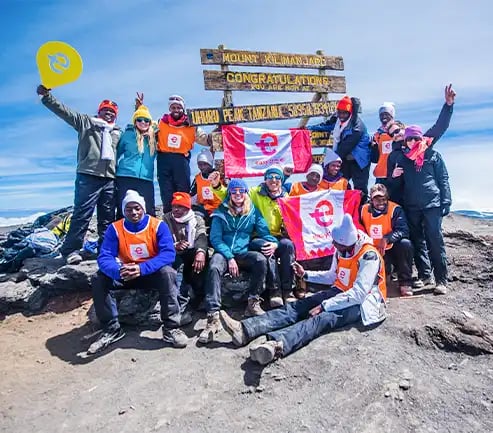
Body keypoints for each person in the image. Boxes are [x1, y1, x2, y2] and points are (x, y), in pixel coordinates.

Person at [218, 214, 387, 365]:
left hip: (362, 303)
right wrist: (305, 274)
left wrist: (325, 305)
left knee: (321, 318)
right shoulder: (342, 250)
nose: (333, 245)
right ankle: (246, 330)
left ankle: (276, 345)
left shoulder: (368, 256)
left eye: (337, 243)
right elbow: (331, 276)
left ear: (346, 243)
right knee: (299, 306)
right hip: (340, 291)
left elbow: (359, 294)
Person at [88, 190, 188, 354]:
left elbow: (168, 254)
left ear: (143, 208)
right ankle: (111, 329)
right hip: (126, 273)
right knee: (98, 278)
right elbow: (105, 256)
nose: (133, 212)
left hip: (150, 273)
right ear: (123, 210)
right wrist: (118, 271)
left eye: (137, 208)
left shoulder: (157, 226)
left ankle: (171, 328)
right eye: (129, 209)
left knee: (168, 273)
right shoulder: (115, 229)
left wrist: (141, 268)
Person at [37, 85, 121, 265]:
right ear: (99, 111)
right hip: (88, 176)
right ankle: (71, 250)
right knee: (82, 214)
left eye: (112, 111)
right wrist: (47, 97)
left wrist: (139, 110)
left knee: (107, 216)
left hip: (110, 179)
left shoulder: (117, 132)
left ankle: (105, 249)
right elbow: (64, 112)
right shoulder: (86, 122)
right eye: (105, 110)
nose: (109, 114)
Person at [200, 179, 278, 344]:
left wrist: (274, 242)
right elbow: (215, 238)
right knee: (214, 267)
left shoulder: (252, 211)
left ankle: (253, 303)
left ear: (245, 193)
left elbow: (263, 231)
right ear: (229, 193)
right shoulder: (221, 211)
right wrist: (229, 257)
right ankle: (213, 316)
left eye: (240, 191)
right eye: (233, 191)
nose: (237, 195)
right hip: (223, 252)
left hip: (242, 252)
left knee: (260, 260)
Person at [211, 166, 296, 306]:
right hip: (257, 236)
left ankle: (287, 290)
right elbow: (232, 193)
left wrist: (276, 241)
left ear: (281, 180)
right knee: (265, 248)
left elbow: (292, 217)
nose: (273, 180)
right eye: (270, 177)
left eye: (277, 177)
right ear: (265, 179)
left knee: (287, 245)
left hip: (274, 235)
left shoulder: (285, 197)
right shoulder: (254, 193)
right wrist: (216, 185)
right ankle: (274, 291)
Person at [386, 126, 452, 295]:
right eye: (409, 139)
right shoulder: (402, 159)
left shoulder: (433, 155)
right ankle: (425, 276)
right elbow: (394, 188)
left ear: (421, 138)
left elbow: (443, 178)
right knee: (417, 241)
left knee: (435, 241)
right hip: (411, 206)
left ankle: (441, 280)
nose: (413, 142)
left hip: (432, 204)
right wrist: (393, 177)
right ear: (405, 141)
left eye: (416, 138)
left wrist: (446, 200)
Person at [386, 84, 456, 206]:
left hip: (429, 202)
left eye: (397, 131)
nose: (395, 135)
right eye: (392, 135)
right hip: (408, 204)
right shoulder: (394, 155)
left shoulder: (423, 144)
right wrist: (393, 176)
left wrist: (448, 106)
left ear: (404, 129)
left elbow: (440, 126)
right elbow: (390, 181)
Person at [152, 95, 209, 213]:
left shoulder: (192, 125)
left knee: (183, 191)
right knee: (166, 192)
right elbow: (144, 126)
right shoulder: (160, 122)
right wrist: (139, 109)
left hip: (181, 160)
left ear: (183, 109)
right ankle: (168, 219)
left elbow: (206, 140)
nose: (176, 110)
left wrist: (220, 127)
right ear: (170, 109)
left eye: (178, 107)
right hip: (164, 159)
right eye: (173, 107)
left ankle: (184, 218)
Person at [308, 96, 371, 200]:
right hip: (346, 159)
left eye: (344, 113)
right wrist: (309, 128)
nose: (341, 115)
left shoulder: (357, 128)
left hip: (360, 161)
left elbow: (343, 149)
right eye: (339, 112)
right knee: (340, 183)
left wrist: (326, 163)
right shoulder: (337, 120)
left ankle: (360, 209)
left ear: (350, 113)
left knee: (360, 188)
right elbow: (326, 125)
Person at [360, 184, 413, 296]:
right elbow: (358, 229)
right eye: (377, 199)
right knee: (382, 279)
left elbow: (403, 230)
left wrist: (387, 239)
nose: (381, 203)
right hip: (372, 250)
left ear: (387, 198)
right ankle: (385, 274)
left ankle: (405, 282)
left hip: (391, 247)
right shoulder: (363, 210)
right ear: (371, 199)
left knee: (405, 244)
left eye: (383, 199)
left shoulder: (395, 209)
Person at [162, 192, 208, 312]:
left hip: (191, 253)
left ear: (188, 208)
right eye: (174, 206)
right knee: (177, 265)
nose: (176, 209)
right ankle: (180, 302)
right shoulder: (166, 219)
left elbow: (201, 235)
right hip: (175, 255)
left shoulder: (197, 219)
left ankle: (200, 296)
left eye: (180, 206)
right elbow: (161, 240)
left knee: (203, 259)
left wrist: (201, 252)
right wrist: (174, 246)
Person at [115, 104, 157, 218]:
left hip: (146, 179)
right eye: (139, 120)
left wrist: (139, 107)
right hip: (125, 177)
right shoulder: (128, 134)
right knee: (123, 209)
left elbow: (162, 123)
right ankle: (120, 235)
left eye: (146, 120)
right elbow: (116, 153)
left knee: (149, 210)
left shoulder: (154, 136)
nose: (143, 122)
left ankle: (149, 235)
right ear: (135, 121)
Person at [190, 148, 222, 222]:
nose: (202, 167)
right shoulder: (198, 178)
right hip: (203, 208)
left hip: (218, 209)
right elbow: (191, 195)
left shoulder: (220, 175)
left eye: (205, 164)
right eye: (200, 164)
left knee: (216, 223)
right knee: (196, 219)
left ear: (210, 164)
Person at [371, 102, 396, 184]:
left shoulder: (399, 132)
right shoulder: (377, 135)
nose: (384, 117)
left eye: (386, 114)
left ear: (392, 115)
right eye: (381, 115)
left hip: (396, 174)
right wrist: (373, 148)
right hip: (381, 175)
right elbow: (375, 159)